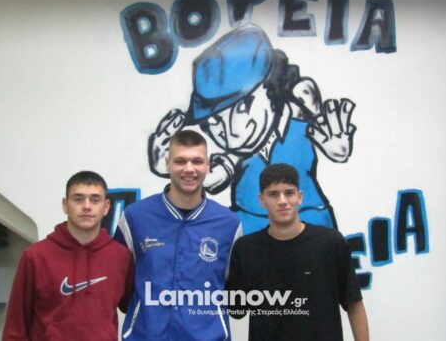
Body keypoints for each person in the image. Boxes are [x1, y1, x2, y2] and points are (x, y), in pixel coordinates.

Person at [148, 24, 356, 235]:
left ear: (268, 87)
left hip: (309, 226)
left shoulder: (302, 129)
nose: (226, 131)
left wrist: (338, 148)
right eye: (212, 122)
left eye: (241, 107)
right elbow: (214, 177)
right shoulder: (238, 154)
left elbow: (335, 147)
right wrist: (171, 169)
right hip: (251, 235)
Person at [114, 129, 242, 341]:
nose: (189, 169)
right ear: (167, 163)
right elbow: (121, 286)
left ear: (208, 165)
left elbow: (232, 287)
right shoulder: (135, 218)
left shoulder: (229, 224)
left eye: (197, 161)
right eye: (180, 161)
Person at [227, 163, 369, 341]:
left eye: (289, 193)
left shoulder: (331, 243)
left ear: (299, 197)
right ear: (262, 200)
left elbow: (354, 304)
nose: (282, 201)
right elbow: (237, 311)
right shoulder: (246, 249)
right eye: (273, 194)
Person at [2, 171, 134, 341]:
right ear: (65, 205)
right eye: (78, 199)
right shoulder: (35, 256)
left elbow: (133, 309)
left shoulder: (121, 256)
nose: (87, 206)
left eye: (95, 200)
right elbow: (15, 327)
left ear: (106, 207)